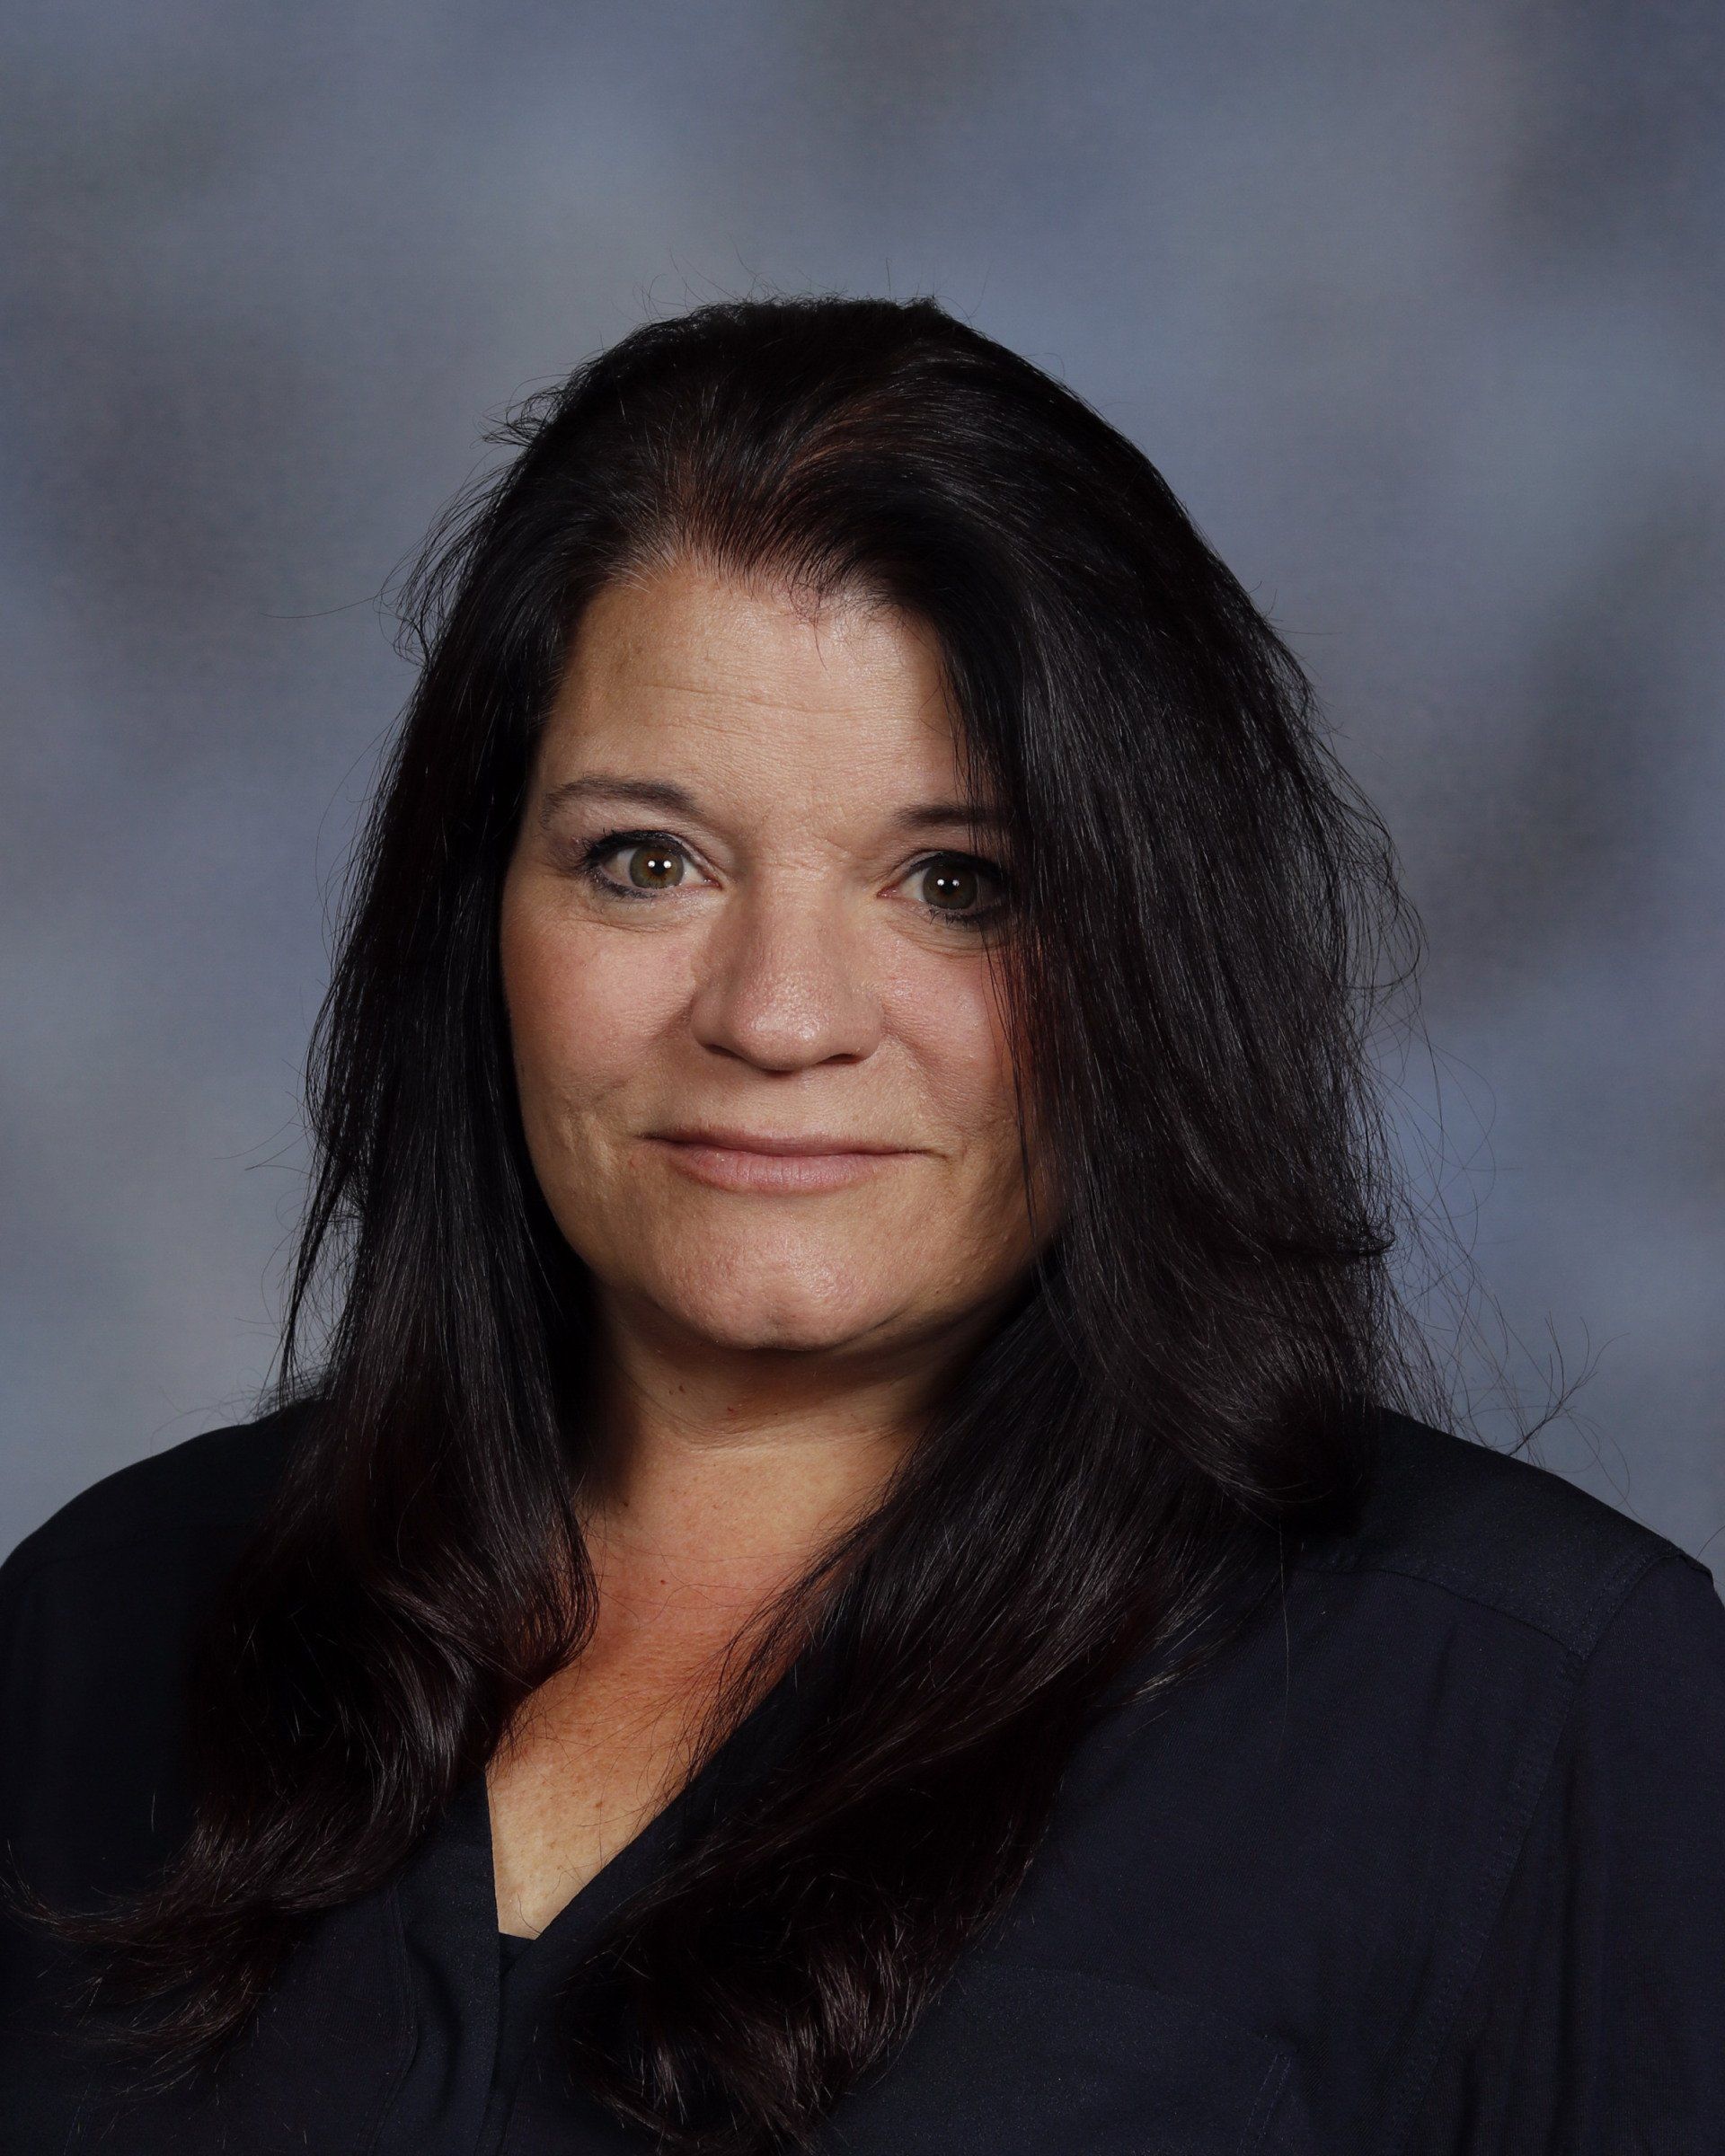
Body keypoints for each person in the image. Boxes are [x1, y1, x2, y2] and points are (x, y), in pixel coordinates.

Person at [1, 293, 1721, 2156]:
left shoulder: (1531, 1705)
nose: (779, 1015)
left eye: (955, 882)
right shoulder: (102, 1627)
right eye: (648, 861)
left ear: (1152, 947)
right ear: (477, 915)